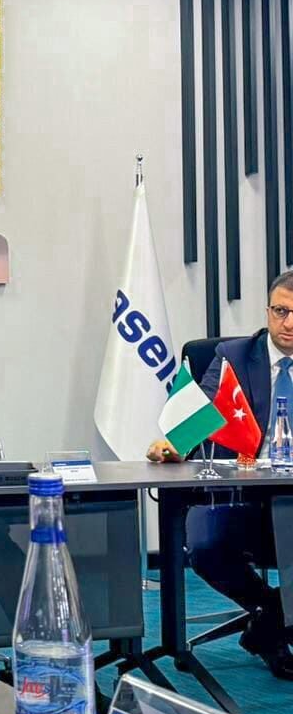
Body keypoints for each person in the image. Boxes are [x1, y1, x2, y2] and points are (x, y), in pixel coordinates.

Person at [147, 271, 293, 679]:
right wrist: (175, 443)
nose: (289, 323)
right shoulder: (234, 356)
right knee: (206, 542)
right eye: (281, 311)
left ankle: (269, 626)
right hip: (239, 496)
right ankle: (273, 613)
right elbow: (204, 409)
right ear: (267, 311)